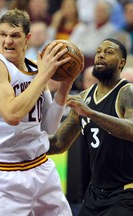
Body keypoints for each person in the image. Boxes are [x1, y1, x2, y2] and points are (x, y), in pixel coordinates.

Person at [0, 9, 82, 215]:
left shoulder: (34, 69)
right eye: (2, 34)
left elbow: (48, 126)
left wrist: (66, 83)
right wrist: (44, 75)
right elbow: (12, 115)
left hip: (41, 170)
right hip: (2, 176)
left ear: (27, 39)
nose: (7, 41)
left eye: (14, 35)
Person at [48, 38, 133, 215]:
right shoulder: (85, 97)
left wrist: (91, 114)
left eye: (109, 52)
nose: (101, 55)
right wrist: (23, 143)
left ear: (121, 63)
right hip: (94, 193)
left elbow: (131, 130)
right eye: (98, 51)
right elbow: (59, 143)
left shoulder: (127, 92)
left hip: (125, 193)